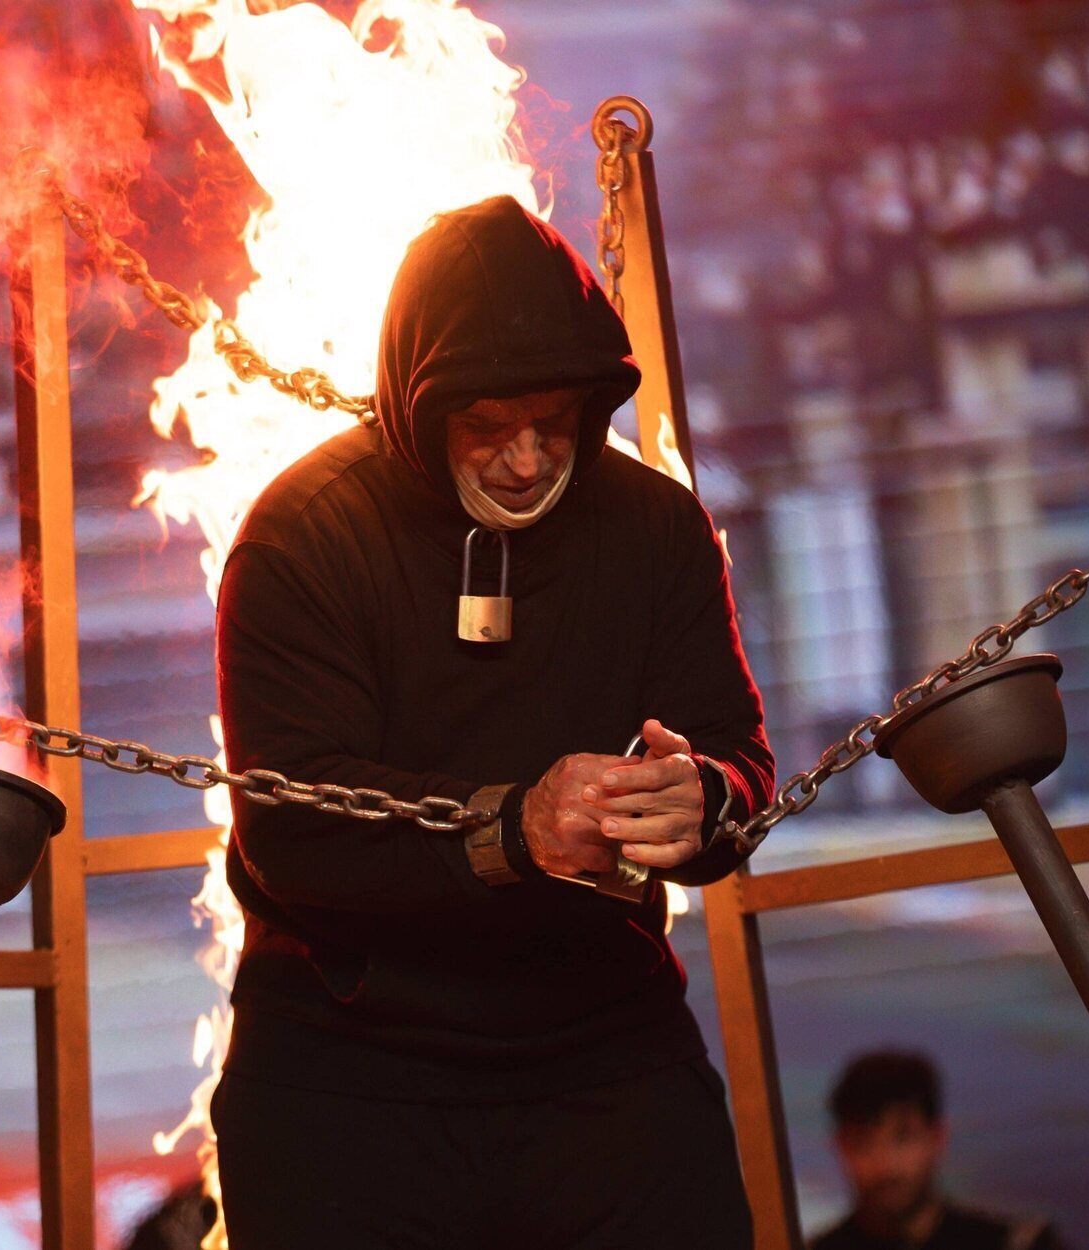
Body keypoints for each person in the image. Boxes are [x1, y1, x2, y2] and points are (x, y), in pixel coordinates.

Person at [209, 194, 775, 1248]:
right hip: (350, 1076)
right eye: (484, 425)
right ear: (418, 409)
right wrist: (510, 828)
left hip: (604, 1053)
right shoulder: (303, 538)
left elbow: (739, 757)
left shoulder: (654, 527)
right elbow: (291, 829)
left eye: (550, 422)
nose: (524, 460)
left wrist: (699, 800)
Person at [811, 1050, 1069, 1250]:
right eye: (863, 1141)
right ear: (841, 1147)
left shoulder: (1018, 1244)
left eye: (903, 1137)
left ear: (937, 1138)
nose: (885, 1163)